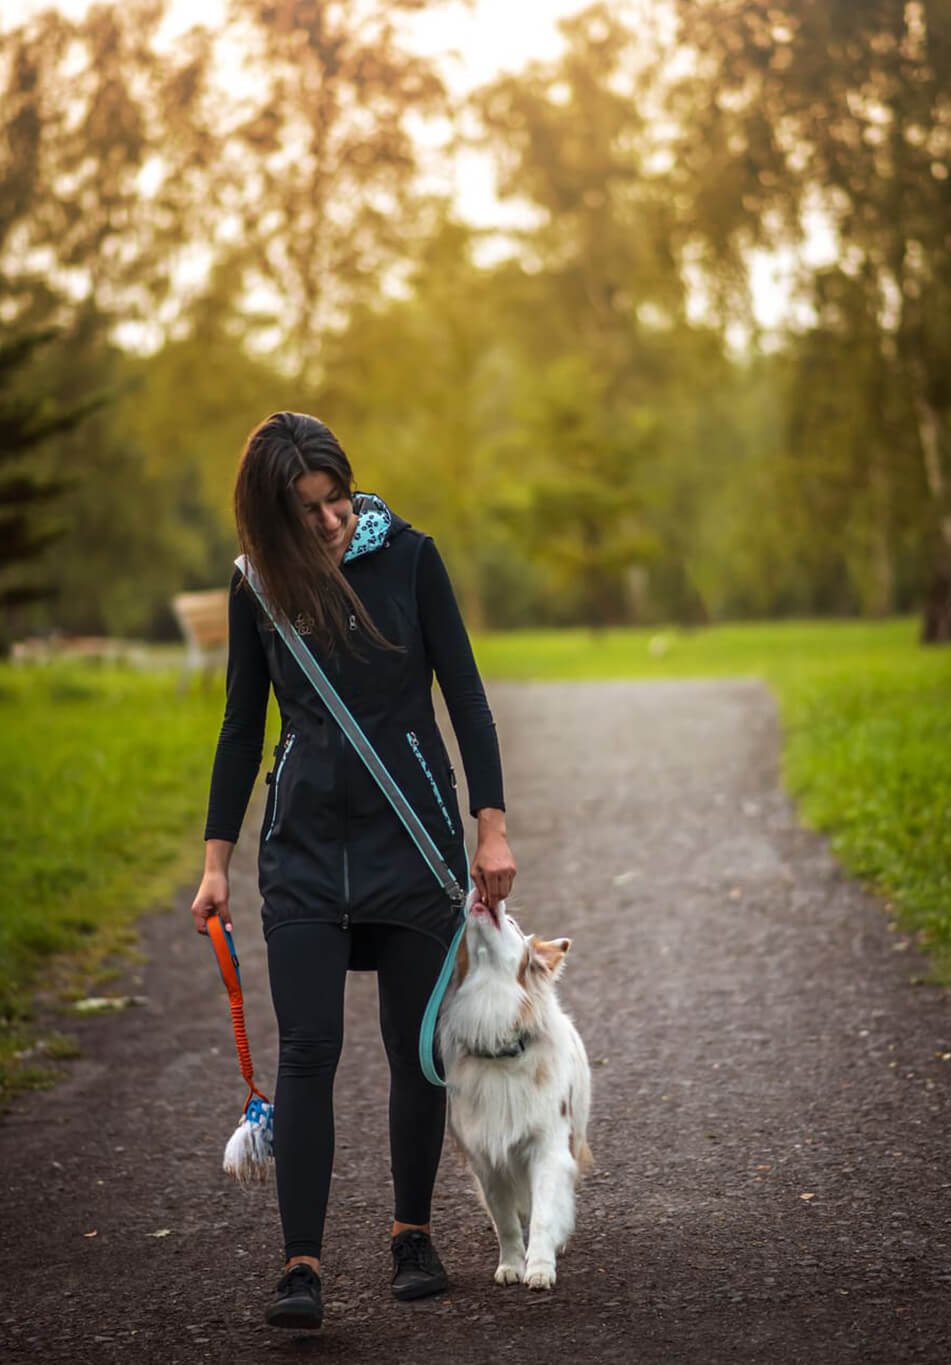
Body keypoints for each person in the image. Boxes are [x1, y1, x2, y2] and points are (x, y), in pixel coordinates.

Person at [189, 410, 516, 1330]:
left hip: (409, 838)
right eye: (308, 510)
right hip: (302, 851)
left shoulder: (411, 557)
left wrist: (489, 828)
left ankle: (412, 1231)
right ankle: (302, 1264)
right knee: (309, 1051)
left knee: (416, 1053)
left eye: (337, 499)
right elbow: (240, 724)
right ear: (271, 519)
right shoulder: (258, 586)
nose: (331, 521)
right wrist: (216, 862)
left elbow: (467, 696)